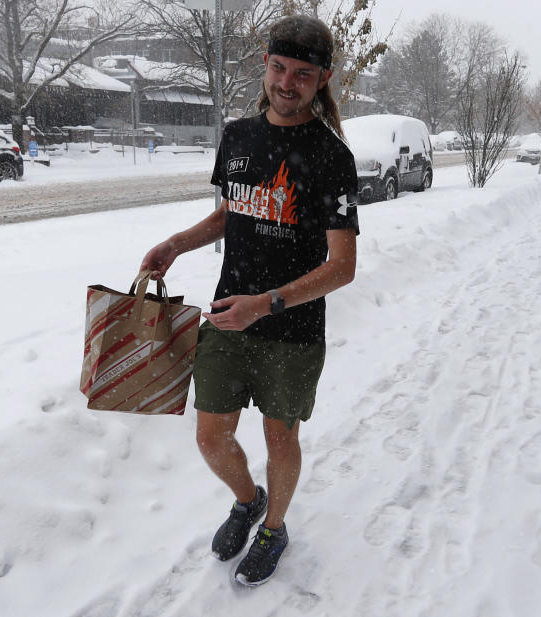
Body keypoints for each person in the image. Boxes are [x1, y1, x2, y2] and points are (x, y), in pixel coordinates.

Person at [140, 14, 359, 587]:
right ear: (265, 63)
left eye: (303, 74)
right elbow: (231, 212)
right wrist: (176, 245)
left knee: (279, 435)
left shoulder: (333, 156)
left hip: (292, 328)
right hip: (226, 321)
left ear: (323, 78)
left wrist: (264, 303)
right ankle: (247, 500)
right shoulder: (238, 136)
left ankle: (274, 527)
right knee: (211, 436)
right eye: (279, 68)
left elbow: (343, 266)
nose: (287, 83)